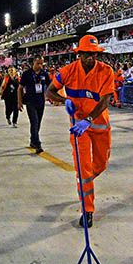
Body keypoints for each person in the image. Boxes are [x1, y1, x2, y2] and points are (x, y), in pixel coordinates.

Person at [45, 35, 114, 228]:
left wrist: (89, 120)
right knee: (84, 171)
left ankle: (82, 182)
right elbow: (49, 91)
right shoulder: (68, 71)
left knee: (100, 166)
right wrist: (62, 100)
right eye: (86, 54)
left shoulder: (106, 71)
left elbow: (105, 101)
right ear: (80, 54)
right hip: (79, 130)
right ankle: (88, 209)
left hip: (99, 127)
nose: (90, 58)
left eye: (93, 54)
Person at [18, 56, 50, 154]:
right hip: (30, 101)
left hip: (41, 101)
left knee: (38, 123)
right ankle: (37, 144)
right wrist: (19, 102)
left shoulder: (44, 74)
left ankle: (33, 140)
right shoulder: (26, 74)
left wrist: (49, 96)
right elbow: (20, 88)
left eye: (42, 63)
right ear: (33, 63)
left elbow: (50, 86)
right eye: (38, 63)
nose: (40, 66)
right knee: (34, 122)